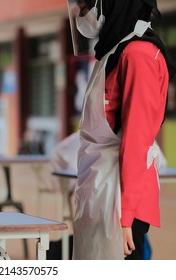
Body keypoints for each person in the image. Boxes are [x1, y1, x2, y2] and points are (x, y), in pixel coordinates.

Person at [66, 0, 176, 259]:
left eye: (87, 7)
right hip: (99, 189)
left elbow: (137, 141)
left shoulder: (139, 55)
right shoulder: (114, 52)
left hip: (120, 198)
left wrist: (126, 218)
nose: (84, 15)